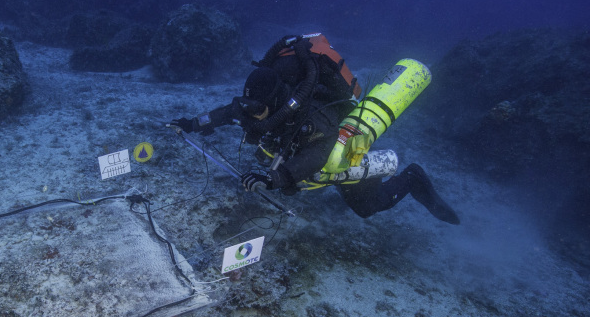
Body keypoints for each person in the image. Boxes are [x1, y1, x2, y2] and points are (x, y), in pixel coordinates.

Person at [168, 34, 460, 225]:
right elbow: (228, 112)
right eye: (247, 105)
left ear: (276, 101)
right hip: (304, 155)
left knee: (367, 206)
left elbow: (319, 154)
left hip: (340, 148)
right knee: (276, 153)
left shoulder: (307, 119)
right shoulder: (257, 104)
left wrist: (274, 179)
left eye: (257, 108)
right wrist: (193, 123)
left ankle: (412, 177)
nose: (250, 113)